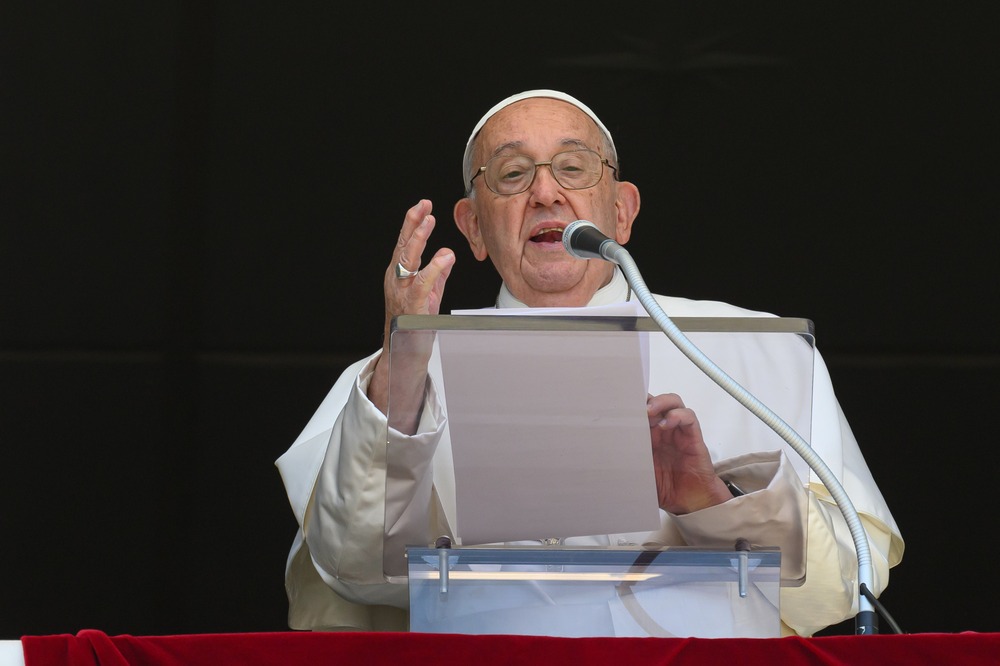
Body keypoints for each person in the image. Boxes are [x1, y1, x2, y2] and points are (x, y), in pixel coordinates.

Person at [276, 89, 904, 637]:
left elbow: (842, 589)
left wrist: (714, 503)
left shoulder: (758, 349)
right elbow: (355, 571)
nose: (546, 193)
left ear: (622, 212)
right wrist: (405, 357)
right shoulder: (393, 373)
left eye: (572, 168)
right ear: (471, 228)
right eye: (513, 174)